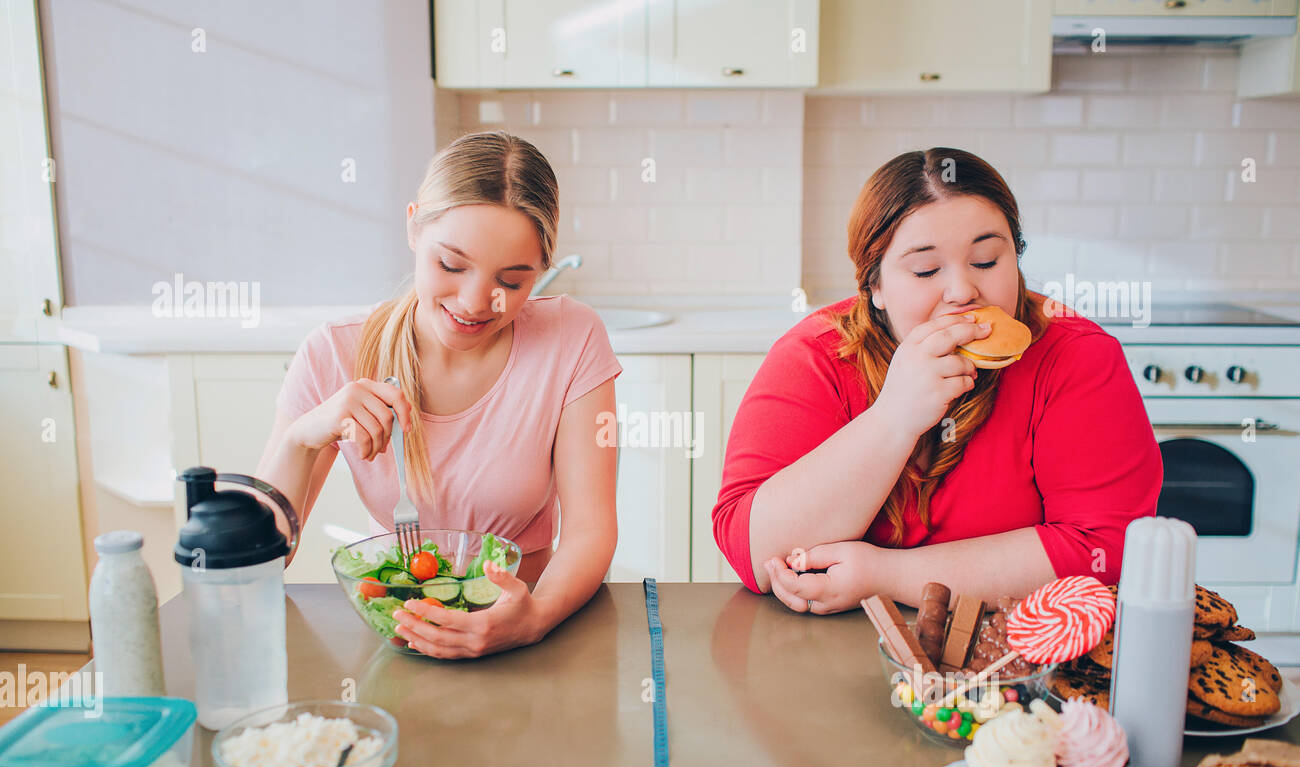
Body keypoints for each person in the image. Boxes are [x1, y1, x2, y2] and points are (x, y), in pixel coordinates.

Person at [712, 147, 1162, 613]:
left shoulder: (1076, 356)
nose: (963, 291)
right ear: (875, 286)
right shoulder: (816, 356)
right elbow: (753, 553)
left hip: (1020, 654)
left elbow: (1105, 551)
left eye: (986, 260)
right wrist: (894, 418)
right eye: (926, 270)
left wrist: (885, 576)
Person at [257, 131, 621, 657]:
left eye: (513, 281)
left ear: (542, 268)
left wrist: (533, 620)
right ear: (413, 225)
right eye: (451, 266)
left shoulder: (573, 338)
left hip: (532, 641)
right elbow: (264, 559)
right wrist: (301, 441)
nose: (475, 302)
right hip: (396, 639)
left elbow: (590, 530)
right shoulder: (333, 352)